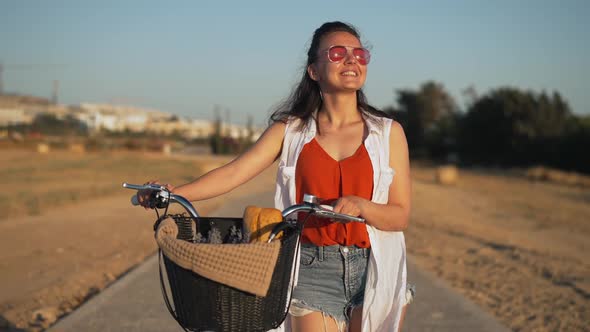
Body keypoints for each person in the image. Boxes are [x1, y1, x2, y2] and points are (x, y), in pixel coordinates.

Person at [139, 21, 412, 332]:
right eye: (337, 53)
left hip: (376, 268)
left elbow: (399, 216)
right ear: (314, 70)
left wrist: (362, 206)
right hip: (310, 269)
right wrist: (174, 192)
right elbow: (234, 172)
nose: (351, 60)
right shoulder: (291, 131)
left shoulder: (388, 133)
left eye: (359, 54)